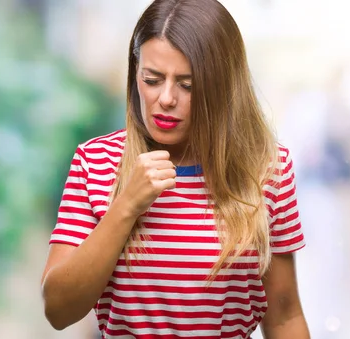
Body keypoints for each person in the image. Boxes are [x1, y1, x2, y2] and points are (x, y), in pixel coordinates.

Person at [40, 0, 309, 338]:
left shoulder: (268, 169)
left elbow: (284, 317)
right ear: (134, 72)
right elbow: (58, 310)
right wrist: (125, 207)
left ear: (222, 85)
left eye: (187, 85)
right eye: (152, 79)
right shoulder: (95, 162)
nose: (166, 98)